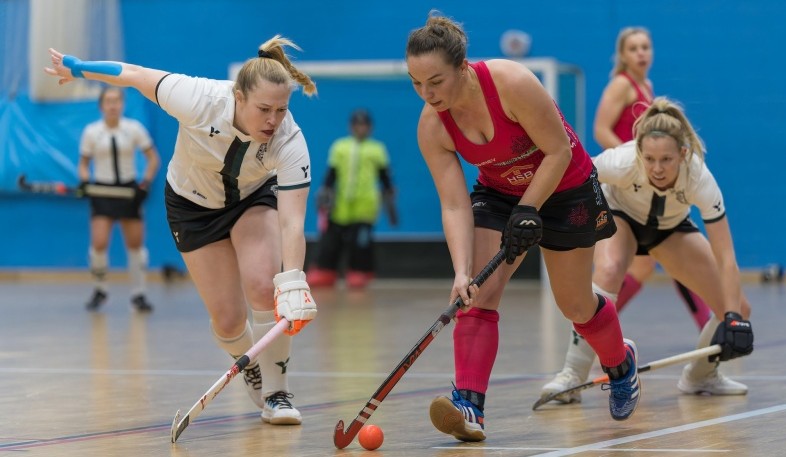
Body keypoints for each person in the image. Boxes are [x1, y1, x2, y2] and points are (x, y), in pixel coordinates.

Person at [44, 35, 319, 425]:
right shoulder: (198, 98)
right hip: (192, 207)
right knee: (227, 320)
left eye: (281, 109)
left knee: (264, 285)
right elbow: (134, 74)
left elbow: (293, 220)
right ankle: (250, 367)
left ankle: (277, 393)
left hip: (252, 198)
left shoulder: (289, 139)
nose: (274, 120)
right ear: (237, 96)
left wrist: (292, 281)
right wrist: (78, 67)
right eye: (264, 109)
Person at [405, 13, 641, 443]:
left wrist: (530, 208)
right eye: (417, 83)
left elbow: (558, 151)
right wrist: (461, 272)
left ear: (462, 67)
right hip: (498, 194)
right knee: (479, 291)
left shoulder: (511, 82)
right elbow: (455, 203)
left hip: (566, 185)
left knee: (575, 305)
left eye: (435, 81)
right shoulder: (431, 125)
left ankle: (621, 365)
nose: (427, 93)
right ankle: (469, 406)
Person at [541, 28, 716, 402]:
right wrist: (636, 162)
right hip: (625, 185)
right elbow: (601, 129)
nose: (641, 53)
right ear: (622, 54)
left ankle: (706, 342)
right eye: (633, 48)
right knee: (611, 271)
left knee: (647, 269)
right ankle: (580, 360)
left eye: (646, 47)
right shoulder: (621, 85)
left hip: (653, 193)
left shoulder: (647, 86)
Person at [549, 97, 754, 405]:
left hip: (669, 228)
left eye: (666, 160)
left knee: (737, 305)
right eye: (649, 159)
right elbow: (575, 176)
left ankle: (700, 376)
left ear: (683, 155)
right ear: (639, 152)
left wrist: (735, 317)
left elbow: (726, 256)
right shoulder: (622, 160)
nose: (657, 168)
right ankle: (571, 376)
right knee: (609, 269)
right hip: (620, 216)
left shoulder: (699, 177)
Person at [79, 86, 160, 312]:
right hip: (102, 191)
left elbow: (153, 159)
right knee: (99, 243)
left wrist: (145, 184)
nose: (113, 105)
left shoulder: (133, 129)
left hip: (129, 190)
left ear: (122, 104)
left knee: (135, 245)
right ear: (101, 105)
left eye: (116, 101)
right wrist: (85, 182)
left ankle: (139, 294)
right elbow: (84, 165)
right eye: (108, 101)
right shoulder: (91, 132)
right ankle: (100, 289)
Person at [306, 109, 398, 288]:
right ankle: (325, 269)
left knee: (360, 243)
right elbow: (331, 174)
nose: (360, 128)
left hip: (365, 205)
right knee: (331, 240)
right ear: (351, 126)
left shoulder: (377, 149)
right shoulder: (340, 146)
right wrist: (325, 192)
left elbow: (384, 177)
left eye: (364, 125)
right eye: (357, 125)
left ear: (370, 128)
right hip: (340, 205)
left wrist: (389, 198)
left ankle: (360, 271)